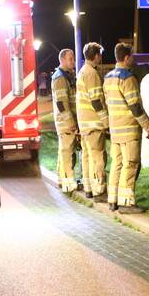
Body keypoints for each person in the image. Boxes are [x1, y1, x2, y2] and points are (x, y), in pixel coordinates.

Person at [103, 43, 149, 213]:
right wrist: (147, 126)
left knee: (117, 164)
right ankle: (126, 203)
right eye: (132, 56)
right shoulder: (128, 78)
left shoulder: (108, 77)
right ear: (126, 58)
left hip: (115, 130)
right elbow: (135, 107)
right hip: (129, 130)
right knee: (130, 164)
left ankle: (113, 200)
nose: (133, 59)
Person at [76, 42, 109, 201]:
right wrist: (106, 121)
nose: (101, 57)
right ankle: (99, 191)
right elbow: (96, 100)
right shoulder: (92, 74)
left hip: (84, 124)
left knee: (87, 157)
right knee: (98, 158)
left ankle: (89, 188)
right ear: (96, 56)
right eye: (100, 54)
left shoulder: (82, 71)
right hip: (94, 124)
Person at [51, 49, 79, 193]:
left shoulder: (67, 75)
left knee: (64, 151)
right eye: (70, 58)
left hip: (67, 120)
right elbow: (62, 103)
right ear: (62, 60)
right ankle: (68, 183)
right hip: (65, 122)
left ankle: (62, 180)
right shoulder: (60, 78)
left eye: (73, 58)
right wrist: (71, 122)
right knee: (67, 152)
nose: (73, 61)